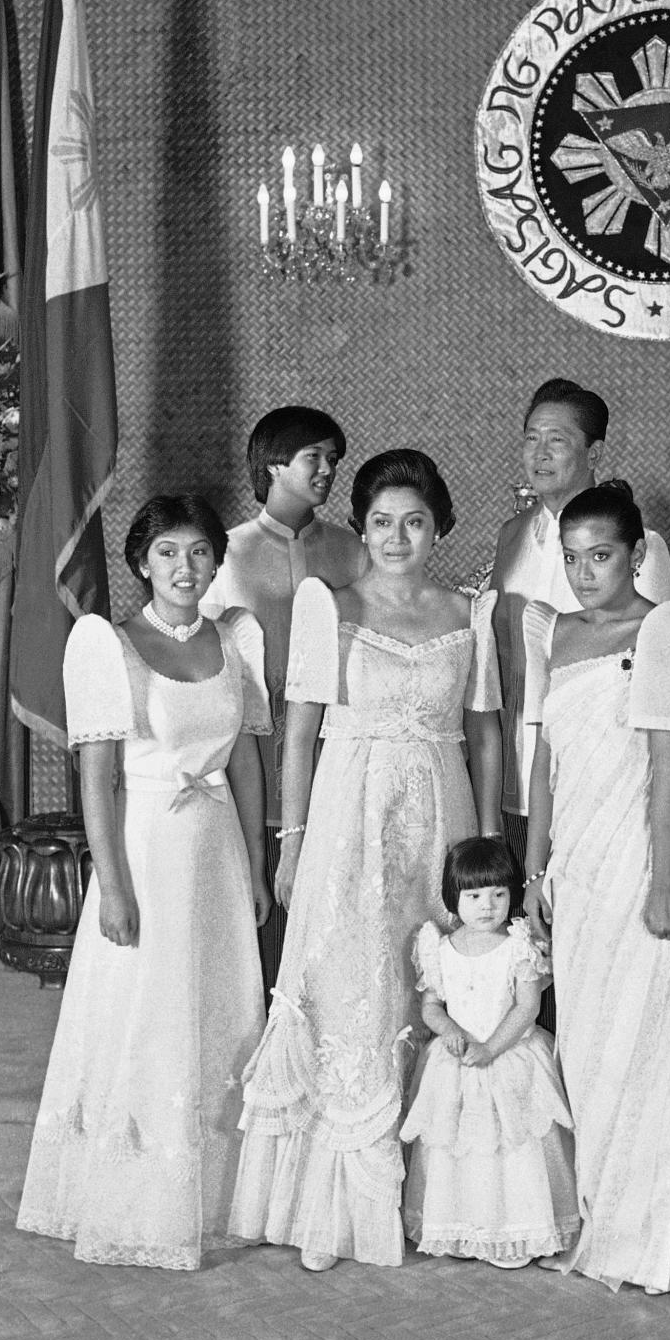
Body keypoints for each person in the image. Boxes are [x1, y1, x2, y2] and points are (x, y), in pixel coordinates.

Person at [228, 449, 503, 1272]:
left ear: (438, 529)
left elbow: (485, 731)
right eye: (380, 521)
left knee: (432, 987)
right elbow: (301, 729)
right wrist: (292, 842)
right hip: (350, 820)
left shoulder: (470, 612)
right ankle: (342, 1209)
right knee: (353, 985)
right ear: (364, 527)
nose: (395, 536)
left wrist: (489, 848)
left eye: (413, 522)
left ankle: (438, 1199)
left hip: (442, 821)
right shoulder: (328, 605)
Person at [17, 495, 272, 1270]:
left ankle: (226, 1192)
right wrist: (113, 884)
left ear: (215, 563)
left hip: (219, 849)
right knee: (148, 1010)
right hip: (147, 848)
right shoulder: (106, 643)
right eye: (167, 552)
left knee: (221, 1004)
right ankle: (138, 1198)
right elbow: (95, 774)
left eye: (199, 552)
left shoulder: (238, 640)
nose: (185, 568)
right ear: (140, 562)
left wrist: (257, 867)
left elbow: (246, 761)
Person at [522, 482, 670, 1294]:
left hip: (638, 863)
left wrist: (664, 882)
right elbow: (545, 759)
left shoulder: (662, 632)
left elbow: (669, 771)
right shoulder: (559, 631)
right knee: (588, 1049)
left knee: (642, 1048)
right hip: (574, 869)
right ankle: (601, 1218)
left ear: (637, 555)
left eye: (600, 556)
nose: (584, 573)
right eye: (571, 558)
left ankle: (647, 1241)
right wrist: (535, 869)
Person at [202, 407, 367, 1001]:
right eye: (313, 458)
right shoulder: (226, 555)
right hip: (252, 751)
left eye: (333, 459)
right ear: (273, 463)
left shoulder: (354, 550)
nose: (327, 470)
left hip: (340, 751)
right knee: (264, 904)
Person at [490, 379, 670, 876]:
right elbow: (505, 657)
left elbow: (661, 683)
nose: (540, 454)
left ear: (594, 452)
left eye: (557, 440)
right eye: (531, 438)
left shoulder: (641, 547)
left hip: (608, 782)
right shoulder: (512, 537)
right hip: (521, 767)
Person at [400, 837, 578, 1268]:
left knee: (515, 1143)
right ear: (453, 897)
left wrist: (491, 1047)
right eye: (474, 896)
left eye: (499, 894)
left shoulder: (518, 944)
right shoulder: (440, 949)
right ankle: (465, 1227)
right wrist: (451, 1033)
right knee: (462, 1146)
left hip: (509, 1054)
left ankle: (517, 1230)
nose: (488, 906)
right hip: (458, 1059)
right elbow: (430, 1006)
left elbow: (528, 1006)